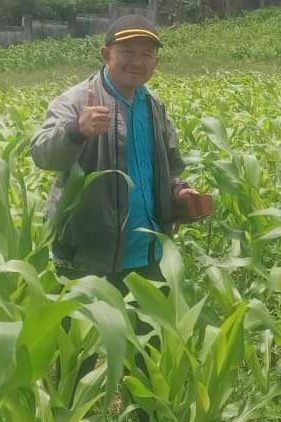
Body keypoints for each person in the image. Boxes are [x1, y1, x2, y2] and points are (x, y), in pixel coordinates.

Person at [29, 14, 203, 284]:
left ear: (156, 61)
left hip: (151, 254)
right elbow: (42, 154)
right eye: (127, 52)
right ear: (106, 54)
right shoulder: (78, 100)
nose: (137, 62)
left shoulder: (153, 104)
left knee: (149, 326)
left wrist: (178, 189)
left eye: (147, 54)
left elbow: (170, 166)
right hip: (89, 259)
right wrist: (77, 130)